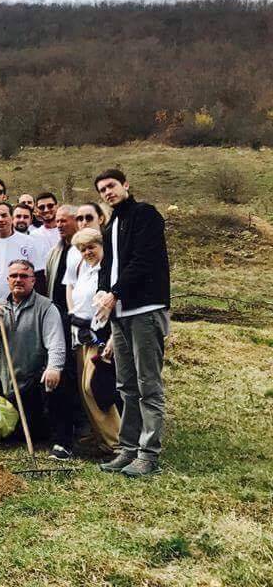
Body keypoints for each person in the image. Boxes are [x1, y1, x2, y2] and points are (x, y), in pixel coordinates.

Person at [95, 168, 170, 478]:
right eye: (102, 190)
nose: (107, 192)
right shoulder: (111, 224)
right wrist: (102, 291)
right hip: (120, 315)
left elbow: (142, 260)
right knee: (125, 384)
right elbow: (107, 265)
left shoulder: (145, 215)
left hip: (144, 308)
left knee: (147, 384)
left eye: (111, 185)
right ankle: (128, 449)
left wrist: (114, 293)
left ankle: (148, 454)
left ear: (125, 184)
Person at [0, 259, 74, 460]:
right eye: (14, 276)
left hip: (35, 380)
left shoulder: (46, 307)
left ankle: (61, 443)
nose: (18, 280)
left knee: (57, 378)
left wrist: (54, 367)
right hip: (10, 381)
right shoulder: (1, 307)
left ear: (33, 280)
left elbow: (56, 343)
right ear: (8, 280)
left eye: (23, 276)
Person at [65, 228, 121, 454]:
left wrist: (112, 339)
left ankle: (118, 442)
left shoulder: (107, 272)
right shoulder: (84, 270)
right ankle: (102, 440)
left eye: (91, 247)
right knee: (83, 389)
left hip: (100, 336)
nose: (87, 252)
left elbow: (113, 306)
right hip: (81, 336)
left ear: (101, 246)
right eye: (83, 249)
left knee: (95, 388)